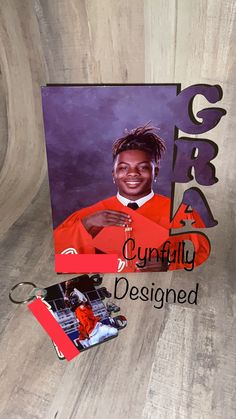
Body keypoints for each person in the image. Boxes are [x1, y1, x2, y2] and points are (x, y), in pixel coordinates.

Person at [54, 124, 208, 271]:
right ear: (113, 174)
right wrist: (86, 226)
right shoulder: (86, 217)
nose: (133, 173)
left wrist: (168, 265)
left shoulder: (182, 215)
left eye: (143, 167)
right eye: (123, 168)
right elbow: (56, 262)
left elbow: (206, 261)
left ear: (156, 172)